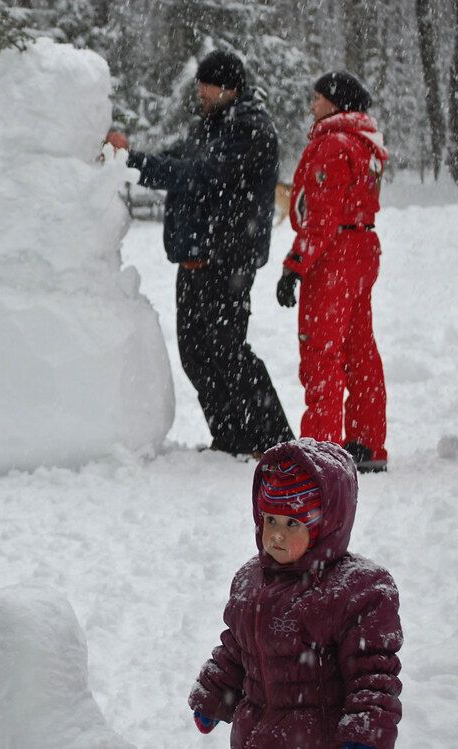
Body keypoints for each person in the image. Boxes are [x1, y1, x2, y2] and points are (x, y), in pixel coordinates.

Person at [107, 50, 293, 456]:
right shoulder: (208, 127)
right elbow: (173, 160)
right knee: (196, 353)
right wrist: (126, 157)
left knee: (229, 350)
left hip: (228, 259)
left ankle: (275, 441)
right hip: (195, 259)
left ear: (228, 88)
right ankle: (231, 437)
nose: (199, 92)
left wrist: (132, 161)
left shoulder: (249, 129)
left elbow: (201, 176)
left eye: (205, 85)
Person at [189, 438, 403, 748]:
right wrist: (214, 694)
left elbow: (372, 674)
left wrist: (364, 732)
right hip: (254, 734)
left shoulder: (355, 591)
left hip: (317, 739)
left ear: (326, 526)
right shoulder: (250, 580)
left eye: (292, 523)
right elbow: (237, 648)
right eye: (270, 519)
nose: (276, 534)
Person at [277, 72, 389, 473]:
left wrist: (294, 266)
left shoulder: (332, 145)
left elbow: (321, 216)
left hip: (333, 256)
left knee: (322, 353)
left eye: (318, 98)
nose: (312, 105)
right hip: (363, 250)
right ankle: (366, 442)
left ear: (336, 102)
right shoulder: (365, 144)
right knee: (360, 350)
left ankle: (322, 452)